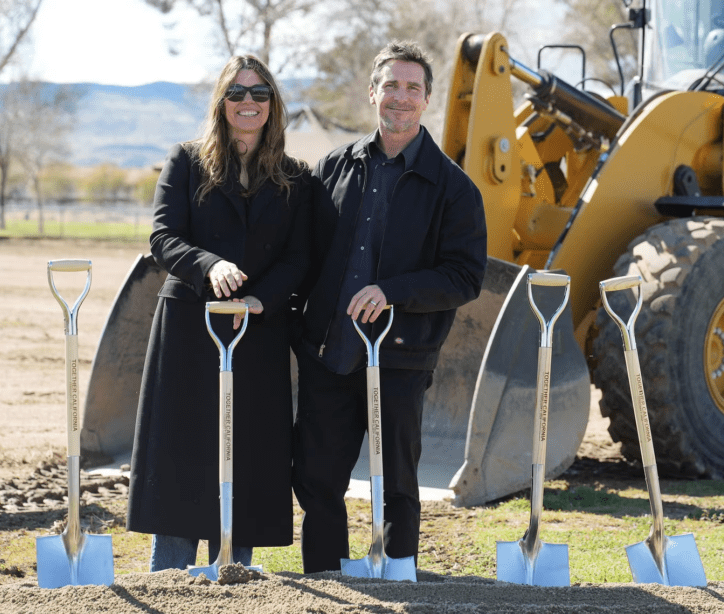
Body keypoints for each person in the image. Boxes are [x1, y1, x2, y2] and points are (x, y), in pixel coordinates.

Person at [292, 40, 487, 573]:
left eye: (413, 89)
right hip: (330, 352)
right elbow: (305, 254)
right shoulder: (334, 167)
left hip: (400, 356)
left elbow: (465, 276)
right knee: (317, 477)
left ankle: (399, 573)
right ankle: (329, 578)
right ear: (372, 93)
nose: (400, 98)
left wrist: (393, 290)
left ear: (426, 101)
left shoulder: (454, 188)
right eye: (391, 86)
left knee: (398, 478)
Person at [126, 55, 312, 571]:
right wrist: (209, 267)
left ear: (272, 104)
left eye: (259, 93)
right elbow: (163, 237)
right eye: (236, 93)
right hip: (190, 328)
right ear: (221, 102)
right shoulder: (186, 160)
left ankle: (237, 577)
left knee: (246, 455)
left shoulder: (294, 177)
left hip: (257, 332)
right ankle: (169, 579)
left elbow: (300, 257)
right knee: (185, 457)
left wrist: (260, 299)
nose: (247, 102)